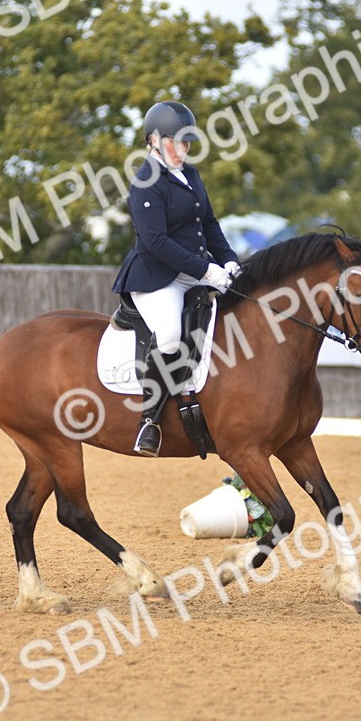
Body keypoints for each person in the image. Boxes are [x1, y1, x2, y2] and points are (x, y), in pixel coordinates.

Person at [112, 100, 240, 457]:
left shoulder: (192, 175)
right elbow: (155, 242)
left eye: (187, 143)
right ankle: (149, 422)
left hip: (195, 271)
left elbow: (209, 224)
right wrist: (205, 270)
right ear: (154, 139)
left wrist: (228, 261)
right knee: (169, 336)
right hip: (157, 277)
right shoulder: (145, 182)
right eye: (176, 142)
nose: (183, 149)